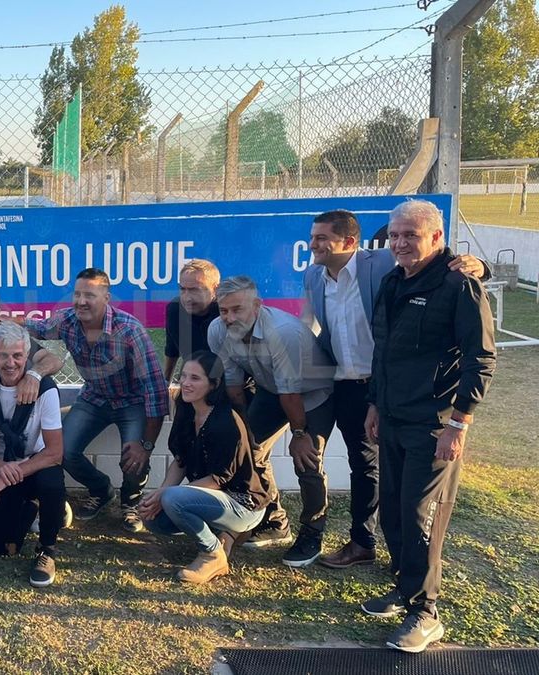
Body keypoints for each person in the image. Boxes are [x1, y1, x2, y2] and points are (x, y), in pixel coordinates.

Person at [303, 209, 487, 569]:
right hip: (343, 384)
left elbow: (441, 264)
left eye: (322, 238)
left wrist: (478, 264)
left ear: (350, 243)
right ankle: (366, 545)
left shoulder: (381, 263)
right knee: (363, 464)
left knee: (381, 472)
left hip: (387, 389)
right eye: (312, 237)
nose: (313, 245)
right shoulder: (313, 277)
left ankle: (382, 551)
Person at [360, 199, 495, 653]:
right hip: (393, 417)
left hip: (435, 425)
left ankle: (426, 612)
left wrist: (459, 423)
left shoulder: (460, 285)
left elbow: (481, 359)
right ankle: (405, 589)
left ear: (437, 238)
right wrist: (375, 404)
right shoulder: (392, 282)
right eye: (395, 235)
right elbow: (383, 351)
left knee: (421, 516)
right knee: (395, 509)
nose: (400, 243)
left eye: (410, 235)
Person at [24, 268, 169, 532]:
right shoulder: (67, 321)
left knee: (135, 457)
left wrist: (146, 444)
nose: (81, 301)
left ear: (107, 297)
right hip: (94, 397)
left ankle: (131, 502)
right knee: (62, 450)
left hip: (132, 402)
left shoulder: (129, 331)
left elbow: (156, 391)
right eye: (77, 294)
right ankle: (101, 490)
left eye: (89, 295)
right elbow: (37, 328)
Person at [207, 275, 336, 567]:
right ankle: (275, 520)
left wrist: (299, 434)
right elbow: (234, 386)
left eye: (237, 309)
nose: (228, 317)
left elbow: (291, 394)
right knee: (249, 452)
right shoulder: (217, 330)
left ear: (257, 306)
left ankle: (312, 532)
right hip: (271, 389)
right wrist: (245, 431)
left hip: (312, 393)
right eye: (223, 310)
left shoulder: (283, 332)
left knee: (307, 461)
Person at [139, 351, 271, 584]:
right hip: (212, 497)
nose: (186, 384)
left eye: (195, 378)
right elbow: (180, 461)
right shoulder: (187, 409)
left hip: (242, 503)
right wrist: (158, 495)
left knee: (172, 499)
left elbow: (218, 480)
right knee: (152, 516)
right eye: (183, 376)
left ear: (214, 384)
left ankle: (213, 554)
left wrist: (167, 496)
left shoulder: (224, 422)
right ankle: (225, 534)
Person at [0, 323, 65, 587]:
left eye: (18, 355)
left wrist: (4, 478)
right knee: (3, 548)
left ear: (27, 355)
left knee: (52, 481)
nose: (11, 363)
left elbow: (55, 452)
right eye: (3, 355)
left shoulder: (46, 389)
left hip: (34, 463)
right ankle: (27, 506)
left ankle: (47, 548)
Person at [163, 259, 221, 381]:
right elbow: (172, 351)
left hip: (226, 381)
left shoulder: (226, 312)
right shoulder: (175, 310)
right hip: (191, 381)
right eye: (183, 289)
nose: (187, 298)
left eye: (195, 290)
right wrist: (165, 384)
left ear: (215, 289)